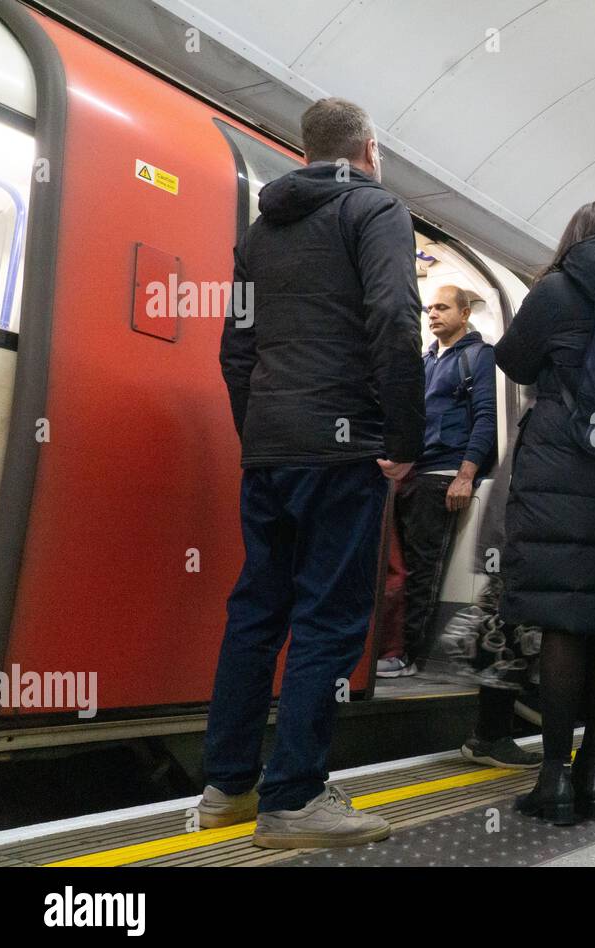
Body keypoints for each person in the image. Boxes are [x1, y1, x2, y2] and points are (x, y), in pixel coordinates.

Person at [199, 98, 426, 848]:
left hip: (271, 450)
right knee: (329, 619)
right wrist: (403, 437)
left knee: (256, 610)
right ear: (370, 149)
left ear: (306, 151)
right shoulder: (378, 209)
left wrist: (260, 429)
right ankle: (294, 799)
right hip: (343, 447)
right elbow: (393, 317)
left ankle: (228, 787)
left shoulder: (262, 230)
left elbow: (236, 349)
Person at [494, 201, 595, 825]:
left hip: (560, 470)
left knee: (564, 624)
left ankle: (553, 781)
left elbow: (511, 361)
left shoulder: (556, 291)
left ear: (573, 239)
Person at [374, 284, 540, 769]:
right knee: (397, 567)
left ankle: (408, 655)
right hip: (411, 472)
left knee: (424, 567)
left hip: (443, 473)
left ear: (466, 314)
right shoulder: (428, 360)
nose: (433, 314)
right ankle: (391, 647)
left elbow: (486, 419)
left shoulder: (477, 358)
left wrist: (467, 473)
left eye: (442, 307)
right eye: (430, 307)